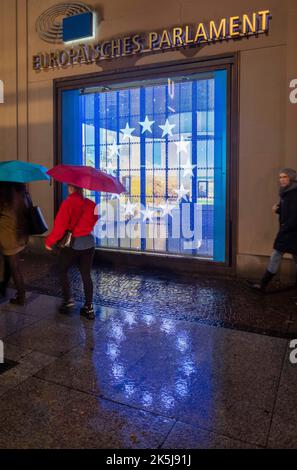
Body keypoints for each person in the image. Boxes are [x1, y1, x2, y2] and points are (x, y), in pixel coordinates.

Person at [45, 184, 98, 319]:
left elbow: (60, 226)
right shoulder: (91, 204)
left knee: (62, 269)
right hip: (89, 244)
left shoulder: (67, 203)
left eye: (69, 186)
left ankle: (68, 300)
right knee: (86, 275)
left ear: (71, 188)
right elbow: (95, 219)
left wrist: (49, 242)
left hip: (73, 245)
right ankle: (89, 308)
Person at [251, 168, 297, 292]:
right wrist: (278, 210)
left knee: (276, 255)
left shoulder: (293, 193)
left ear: (291, 178)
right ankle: (263, 284)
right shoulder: (286, 192)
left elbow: (294, 215)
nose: (281, 179)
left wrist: (285, 227)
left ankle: (263, 284)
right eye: (280, 177)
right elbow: (287, 211)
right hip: (289, 231)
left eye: (285, 177)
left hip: (290, 232)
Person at [0, 182, 30, 305]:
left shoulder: (5, 198)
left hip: (8, 237)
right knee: (11, 264)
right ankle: (4, 288)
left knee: (14, 267)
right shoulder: (22, 196)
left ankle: (21, 296)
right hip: (19, 235)